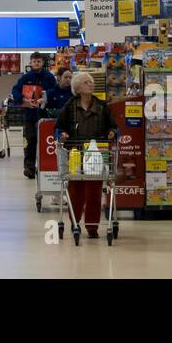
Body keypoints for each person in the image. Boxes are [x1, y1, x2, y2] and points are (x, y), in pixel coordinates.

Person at [54, 72, 118, 239]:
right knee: (75, 192)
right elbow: (59, 128)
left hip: (96, 155)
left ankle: (92, 227)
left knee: (94, 193)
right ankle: (75, 222)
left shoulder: (102, 106)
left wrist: (112, 133)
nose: (90, 84)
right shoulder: (69, 107)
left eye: (91, 81)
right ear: (77, 88)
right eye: (86, 82)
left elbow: (114, 127)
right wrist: (62, 135)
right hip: (75, 154)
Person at [10, 52, 57, 179]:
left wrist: (46, 97)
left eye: (39, 61)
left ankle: (46, 167)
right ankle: (29, 168)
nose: (36, 63)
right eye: (34, 61)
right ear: (30, 63)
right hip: (29, 115)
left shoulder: (49, 77)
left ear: (42, 63)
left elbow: (55, 91)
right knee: (30, 141)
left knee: (46, 142)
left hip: (45, 115)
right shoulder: (25, 77)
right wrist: (23, 101)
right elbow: (15, 90)